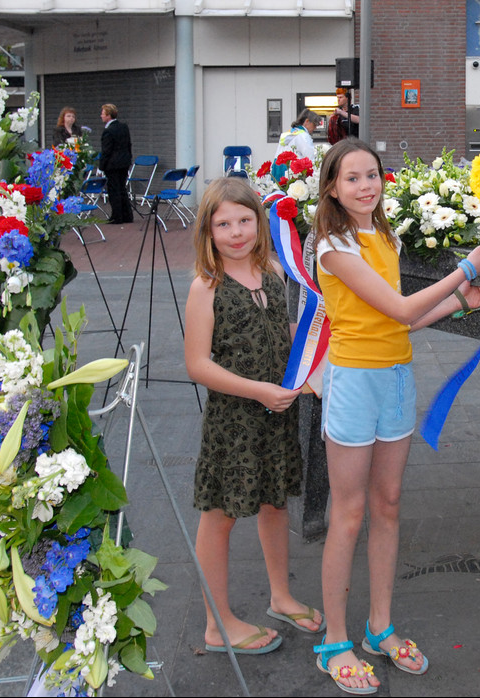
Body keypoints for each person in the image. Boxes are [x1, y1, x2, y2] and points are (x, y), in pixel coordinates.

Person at [311, 138, 480, 694]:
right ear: (332, 187)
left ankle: (380, 628)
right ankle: (334, 642)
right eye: (353, 178)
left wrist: (459, 302)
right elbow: (396, 306)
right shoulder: (333, 245)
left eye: (373, 174)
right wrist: (466, 266)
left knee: (388, 506)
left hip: (395, 377)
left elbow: (401, 324)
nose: (366, 185)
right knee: (347, 514)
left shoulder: (382, 235)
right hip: (353, 384)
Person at [184, 177, 323, 656]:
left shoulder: (272, 274)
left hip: (275, 416)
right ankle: (215, 622)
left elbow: (280, 332)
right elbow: (197, 364)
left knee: (275, 504)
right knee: (220, 516)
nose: (237, 231)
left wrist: (308, 361)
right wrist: (258, 390)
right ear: (209, 231)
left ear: (260, 225)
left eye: (245, 220)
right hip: (234, 423)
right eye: (224, 224)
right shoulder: (207, 286)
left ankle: (280, 596)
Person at [100, 104, 133, 224]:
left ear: (108, 115)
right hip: (124, 163)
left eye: (103, 113)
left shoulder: (108, 131)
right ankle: (128, 215)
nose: (101, 116)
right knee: (122, 188)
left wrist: (101, 166)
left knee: (114, 190)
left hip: (112, 165)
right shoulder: (124, 127)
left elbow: (106, 151)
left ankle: (117, 216)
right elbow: (128, 145)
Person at [276, 109, 321, 176]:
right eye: (314, 124)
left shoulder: (288, 133)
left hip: (278, 170)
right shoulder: (303, 136)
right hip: (293, 173)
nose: (315, 128)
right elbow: (310, 158)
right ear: (307, 121)